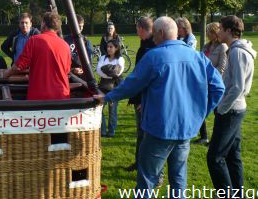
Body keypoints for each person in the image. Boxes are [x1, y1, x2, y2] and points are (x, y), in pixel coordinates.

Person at [94, 16, 224, 197]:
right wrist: (200, 113)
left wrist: (106, 97)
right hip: (185, 128)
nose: (153, 37)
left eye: (154, 33)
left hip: (159, 129)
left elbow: (131, 84)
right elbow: (218, 88)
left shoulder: (154, 56)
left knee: (147, 179)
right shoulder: (197, 56)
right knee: (178, 179)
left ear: (161, 33)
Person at [207, 15, 256, 195]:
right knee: (233, 156)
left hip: (231, 110)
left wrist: (221, 109)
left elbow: (238, 87)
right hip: (234, 108)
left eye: (220, 28)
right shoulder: (235, 49)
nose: (218, 31)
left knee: (215, 158)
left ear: (229, 30)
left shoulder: (237, 51)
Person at [3, 12, 71, 100]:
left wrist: (6, 74)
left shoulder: (34, 40)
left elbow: (19, 66)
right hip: (62, 95)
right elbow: (67, 70)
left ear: (44, 24)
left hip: (39, 96)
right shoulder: (65, 45)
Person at [126, 17, 156, 172]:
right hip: (139, 97)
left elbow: (151, 78)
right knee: (140, 133)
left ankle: (153, 171)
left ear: (141, 28)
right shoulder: (144, 45)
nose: (136, 32)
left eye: (137, 28)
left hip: (147, 100)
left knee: (148, 135)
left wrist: (144, 100)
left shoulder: (153, 46)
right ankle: (139, 162)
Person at [196, 22, 228, 145]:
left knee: (217, 113)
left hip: (214, 84)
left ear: (215, 33)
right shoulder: (206, 46)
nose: (207, 34)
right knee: (200, 108)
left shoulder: (223, 47)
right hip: (202, 83)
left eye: (209, 31)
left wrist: (211, 80)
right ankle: (204, 136)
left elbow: (222, 68)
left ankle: (215, 139)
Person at [96, 39, 124, 138]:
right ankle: (103, 131)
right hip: (103, 86)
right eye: (108, 47)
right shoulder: (102, 57)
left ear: (116, 48)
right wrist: (110, 69)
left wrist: (106, 69)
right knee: (100, 109)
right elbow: (98, 71)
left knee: (112, 110)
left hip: (114, 87)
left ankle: (111, 132)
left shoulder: (120, 59)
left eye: (111, 47)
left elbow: (117, 72)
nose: (108, 48)